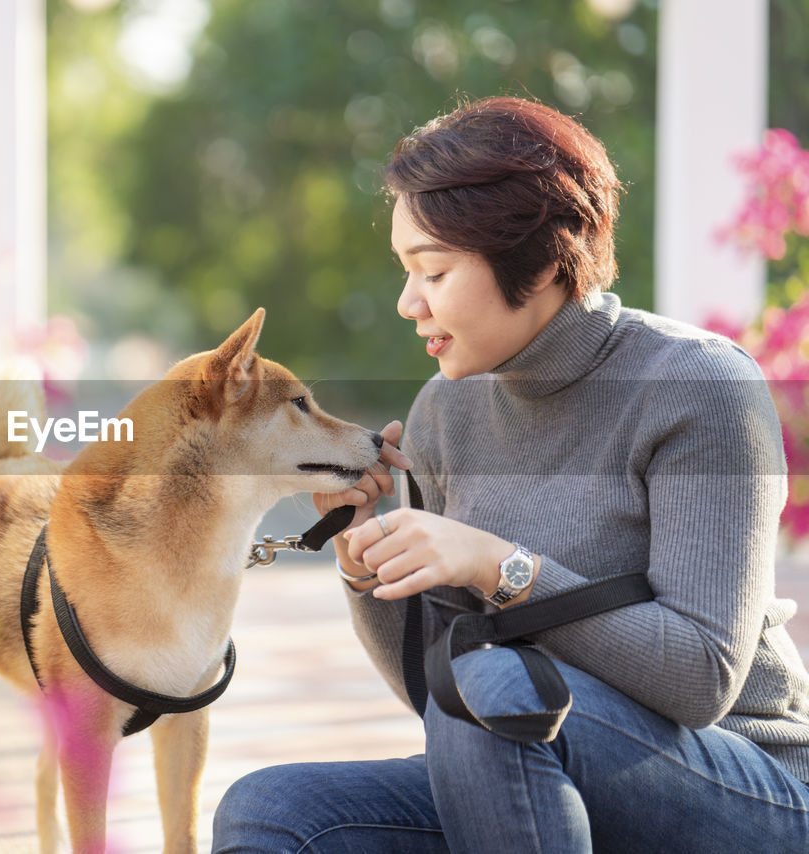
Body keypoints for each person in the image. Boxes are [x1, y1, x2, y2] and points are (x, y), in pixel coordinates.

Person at [211, 95, 809, 853]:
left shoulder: (698, 388)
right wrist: (362, 558)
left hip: (746, 790)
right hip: (543, 783)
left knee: (498, 682)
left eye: (432, 271)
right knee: (271, 811)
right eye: (405, 271)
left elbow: (700, 679)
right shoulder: (444, 415)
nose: (406, 303)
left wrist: (501, 568)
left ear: (536, 256)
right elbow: (441, 705)